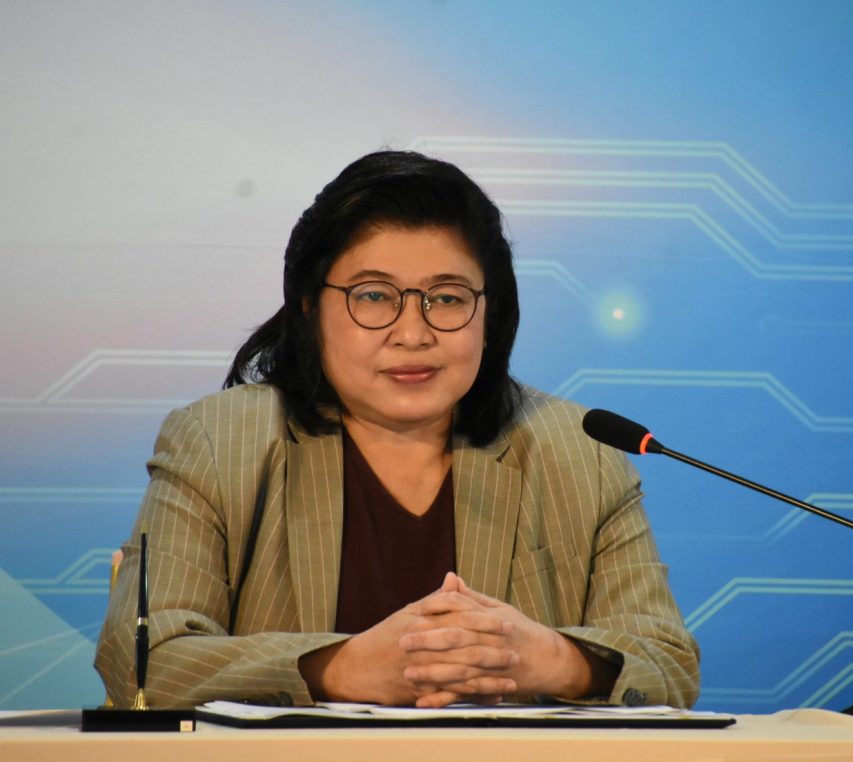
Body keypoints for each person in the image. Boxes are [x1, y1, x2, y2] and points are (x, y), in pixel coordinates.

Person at [95, 150, 700, 709]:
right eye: (374, 296)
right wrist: (338, 669)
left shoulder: (579, 452)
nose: (412, 333)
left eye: (447, 298)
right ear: (309, 306)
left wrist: (552, 660)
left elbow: (668, 665)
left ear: (490, 312)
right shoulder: (221, 443)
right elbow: (143, 662)